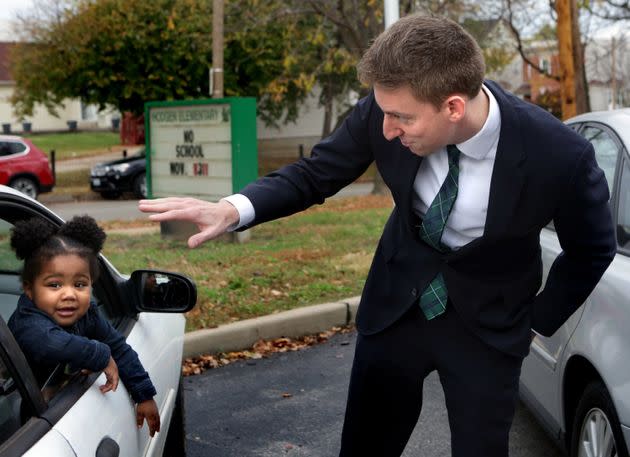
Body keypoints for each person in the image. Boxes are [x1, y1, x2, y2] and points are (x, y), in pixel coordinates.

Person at [139, 14, 616, 457]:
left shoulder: (561, 156)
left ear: (453, 106)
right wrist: (233, 208)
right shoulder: (385, 108)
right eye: (383, 112)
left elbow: (591, 248)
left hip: (488, 329)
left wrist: (536, 318)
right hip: (395, 310)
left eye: (402, 119)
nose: (385, 130)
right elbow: (314, 174)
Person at [8, 215, 161, 437]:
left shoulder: (86, 314)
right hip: (21, 416)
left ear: (91, 284)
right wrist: (100, 354)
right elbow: (53, 344)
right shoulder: (28, 322)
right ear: (29, 289)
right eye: (55, 284)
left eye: (80, 284)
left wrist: (144, 394)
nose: (69, 294)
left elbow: (118, 346)